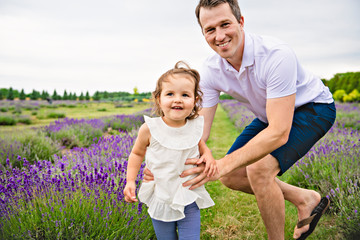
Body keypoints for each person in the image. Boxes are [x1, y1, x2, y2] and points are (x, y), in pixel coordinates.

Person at [144, 1, 336, 239]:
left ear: (241, 22)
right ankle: (304, 198)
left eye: (225, 24)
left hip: (313, 108)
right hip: (270, 113)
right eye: (210, 29)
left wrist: (222, 162)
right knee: (231, 176)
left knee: (258, 170)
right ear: (203, 33)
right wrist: (162, 164)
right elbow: (197, 132)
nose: (219, 36)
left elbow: (278, 131)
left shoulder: (276, 55)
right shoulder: (212, 70)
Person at [123, 61, 216, 240]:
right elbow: (136, 154)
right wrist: (130, 181)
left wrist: (209, 157)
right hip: (161, 196)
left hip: (188, 195)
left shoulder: (194, 127)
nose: (177, 99)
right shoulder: (149, 128)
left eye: (185, 94)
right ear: (158, 98)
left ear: (195, 100)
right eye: (170, 94)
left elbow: (202, 146)